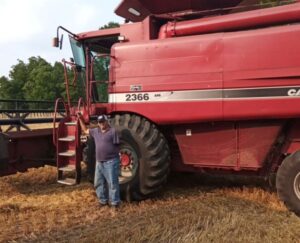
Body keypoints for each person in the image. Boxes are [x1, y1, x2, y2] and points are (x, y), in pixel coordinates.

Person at [77, 113, 121, 209]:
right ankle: (103, 201)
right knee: (98, 182)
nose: (101, 124)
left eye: (103, 122)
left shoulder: (113, 132)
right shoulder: (96, 131)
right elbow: (85, 130)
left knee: (112, 183)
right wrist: (80, 119)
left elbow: (118, 146)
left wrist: (117, 159)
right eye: (100, 122)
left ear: (107, 122)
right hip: (99, 162)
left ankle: (114, 203)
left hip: (111, 161)